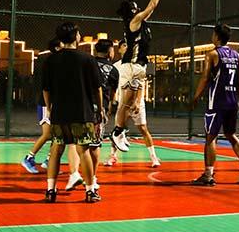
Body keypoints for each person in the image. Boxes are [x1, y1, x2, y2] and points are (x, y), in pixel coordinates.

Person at [41, 22, 104, 203]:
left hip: (59, 113)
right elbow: (97, 88)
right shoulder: (87, 59)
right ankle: (90, 192)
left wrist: (50, 108)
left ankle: (50, 191)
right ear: (76, 36)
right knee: (83, 151)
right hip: (82, 112)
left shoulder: (51, 60)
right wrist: (100, 109)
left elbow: (46, 89)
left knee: (56, 150)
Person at [110, 0, 170, 152]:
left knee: (128, 104)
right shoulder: (134, 22)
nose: (138, 8)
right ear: (132, 10)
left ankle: (119, 131)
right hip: (131, 65)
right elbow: (151, 6)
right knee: (125, 103)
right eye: (135, 7)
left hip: (138, 66)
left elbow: (151, 8)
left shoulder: (140, 22)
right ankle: (117, 132)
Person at [190, 24, 239, 185]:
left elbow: (205, 77)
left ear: (217, 36)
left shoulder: (212, 54)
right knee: (231, 134)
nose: (212, 36)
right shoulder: (237, 56)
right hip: (232, 101)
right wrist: (237, 100)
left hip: (217, 102)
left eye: (213, 34)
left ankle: (208, 175)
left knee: (211, 137)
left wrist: (196, 96)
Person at [64, 38, 119, 190]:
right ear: (110, 51)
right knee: (94, 145)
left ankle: (74, 174)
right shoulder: (113, 70)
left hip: (79, 106)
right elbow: (112, 94)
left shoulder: (86, 62)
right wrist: (106, 109)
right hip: (97, 108)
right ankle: (92, 179)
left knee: (76, 143)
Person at [104, 40, 161, 167]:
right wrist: (112, 102)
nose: (127, 47)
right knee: (118, 130)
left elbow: (140, 84)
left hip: (136, 103)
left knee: (143, 128)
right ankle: (113, 156)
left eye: (128, 45)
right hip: (123, 104)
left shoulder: (138, 64)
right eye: (124, 45)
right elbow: (113, 86)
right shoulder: (116, 66)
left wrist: (137, 101)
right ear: (119, 49)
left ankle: (154, 157)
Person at [21, 38, 62, 174]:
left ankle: (49, 161)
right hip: (46, 104)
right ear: (57, 48)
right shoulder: (51, 62)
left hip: (55, 103)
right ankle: (28, 158)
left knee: (58, 135)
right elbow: (46, 88)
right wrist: (49, 107)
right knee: (48, 134)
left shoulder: (60, 62)